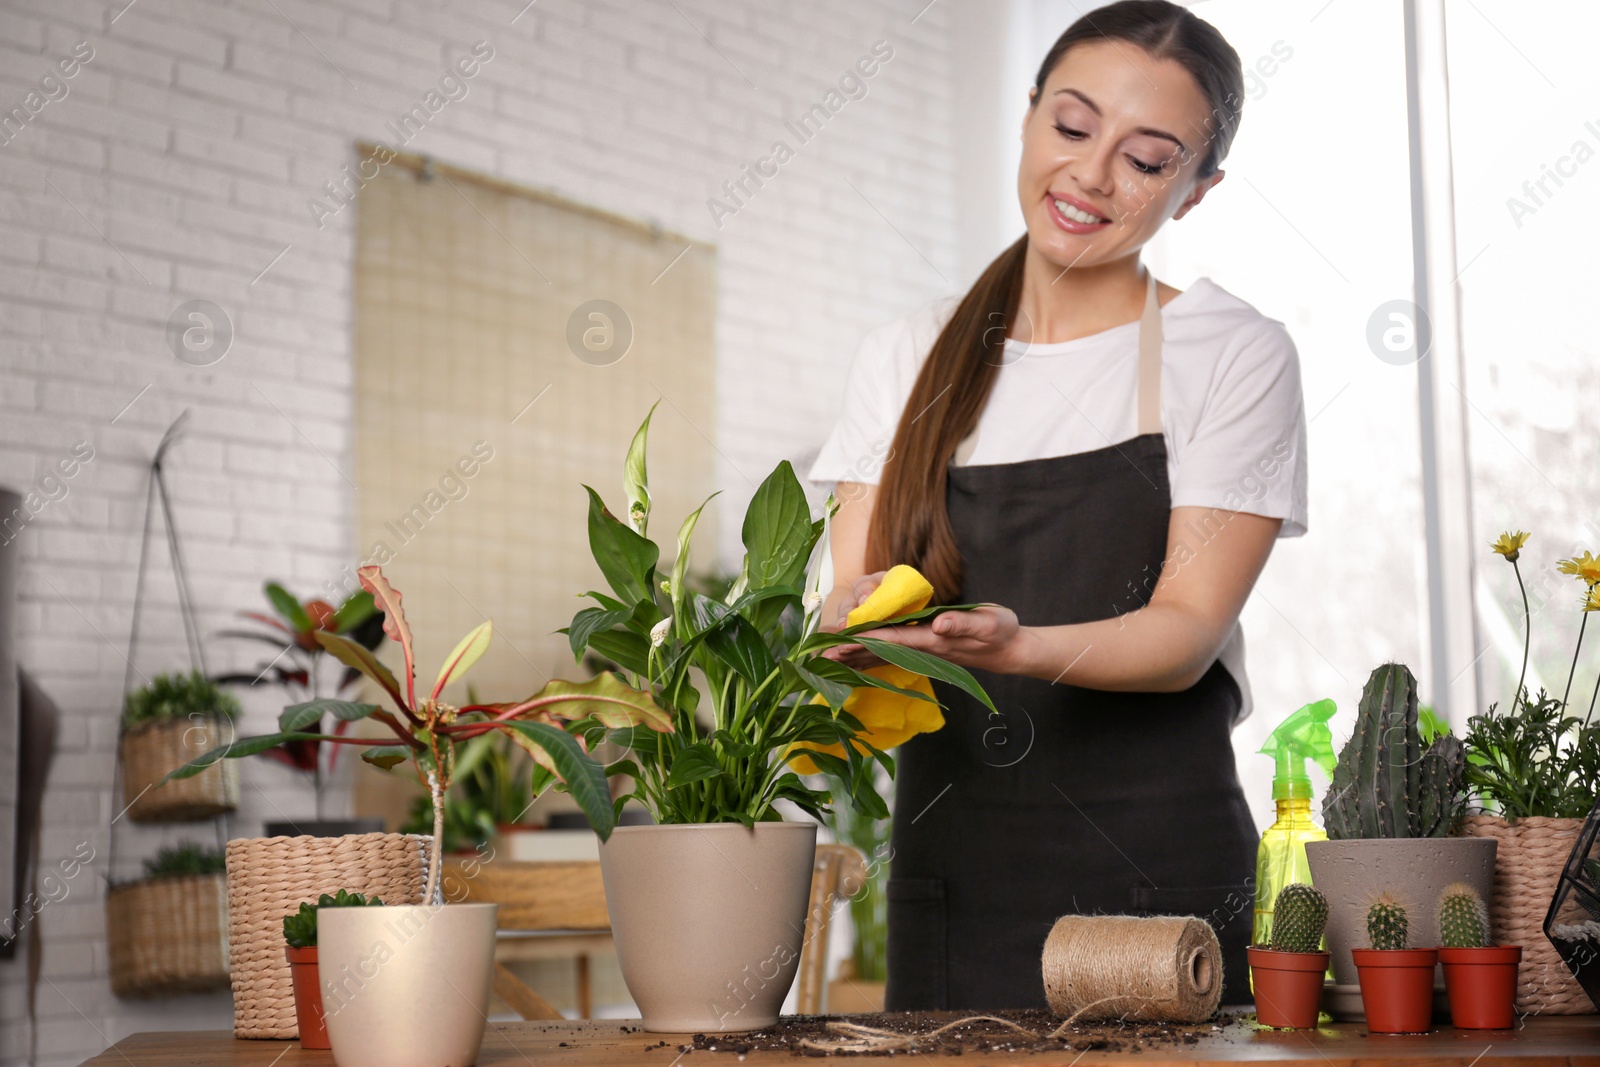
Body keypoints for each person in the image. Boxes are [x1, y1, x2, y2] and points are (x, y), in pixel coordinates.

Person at [807, 0, 1307, 1012]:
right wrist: (848, 632)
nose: (1090, 174)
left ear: (1198, 189)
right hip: (955, 875)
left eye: (1148, 157)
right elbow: (835, 611)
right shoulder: (906, 356)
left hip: (1159, 882)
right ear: (1030, 114)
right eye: (1073, 128)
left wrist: (1014, 645)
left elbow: (1181, 634)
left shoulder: (1231, 351)